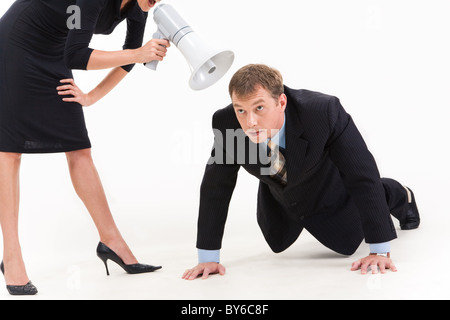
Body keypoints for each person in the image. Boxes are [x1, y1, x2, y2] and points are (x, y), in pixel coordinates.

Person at [182, 64, 420, 280]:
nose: (250, 121)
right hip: (283, 198)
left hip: (332, 186)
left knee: (376, 191)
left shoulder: (322, 112)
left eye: (259, 107)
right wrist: (208, 258)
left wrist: (379, 249)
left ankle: (402, 195)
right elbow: (216, 188)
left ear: (281, 102)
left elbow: (361, 175)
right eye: (241, 110)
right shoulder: (227, 123)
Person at [0, 0, 169, 295]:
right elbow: (80, 55)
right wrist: (139, 52)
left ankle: (112, 242)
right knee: (9, 150)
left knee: (79, 147)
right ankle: (11, 257)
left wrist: (91, 97)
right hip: (16, 45)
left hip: (57, 52)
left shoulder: (140, 5)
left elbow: (128, 60)